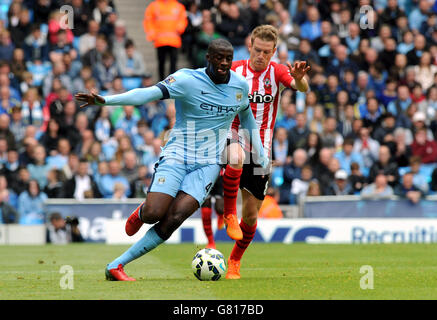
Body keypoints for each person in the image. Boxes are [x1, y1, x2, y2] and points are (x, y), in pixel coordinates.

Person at [75, 39, 268, 281]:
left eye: (228, 58)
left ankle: (117, 265)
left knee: (174, 219)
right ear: (208, 58)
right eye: (219, 57)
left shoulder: (239, 86)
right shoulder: (187, 80)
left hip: (208, 165)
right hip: (178, 155)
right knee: (154, 213)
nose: (224, 63)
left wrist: (260, 156)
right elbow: (147, 94)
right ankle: (142, 212)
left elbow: (248, 119)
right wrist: (107, 100)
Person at [222, 25, 310, 280]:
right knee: (235, 158)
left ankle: (235, 261)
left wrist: (301, 78)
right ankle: (228, 213)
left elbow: (300, 86)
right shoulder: (234, 69)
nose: (261, 55)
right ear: (250, 46)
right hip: (234, 138)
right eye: (257, 50)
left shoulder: (277, 72)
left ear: (273, 52)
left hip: (261, 150)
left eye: (266, 52)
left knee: (250, 217)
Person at [143, 0, 188, 80]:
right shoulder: (154, 6)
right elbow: (148, 20)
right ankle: (162, 83)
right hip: (160, 40)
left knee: (173, 64)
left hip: (173, 40)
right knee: (161, 64)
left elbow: (183, 19)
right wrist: (152, 34)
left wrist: (180, 28)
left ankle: (171, 84)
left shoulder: (177, 6)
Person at [200, 174, 224, 249]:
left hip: (220, 177)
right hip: (204, 176)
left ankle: (221, 215)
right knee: (205, 212)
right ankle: (211, 242)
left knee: (220, 209)